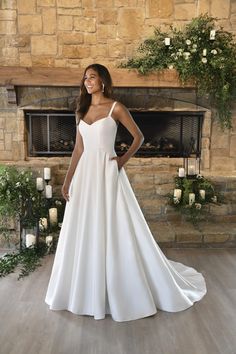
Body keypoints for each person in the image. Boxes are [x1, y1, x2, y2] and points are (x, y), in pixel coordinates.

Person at [45, 63, 206, 322]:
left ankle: (121, 287)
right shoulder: (82, 110)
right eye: (85, 78)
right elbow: (78, 149)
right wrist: (67, 181)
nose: (87, 82)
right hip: (85, 176)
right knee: (84, 227)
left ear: (103, 81)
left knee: (113, 225)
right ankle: (84, 290)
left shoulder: (116, 107)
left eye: (92, 77)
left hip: (107, 173)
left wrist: (121, 161)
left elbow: (139, 137)